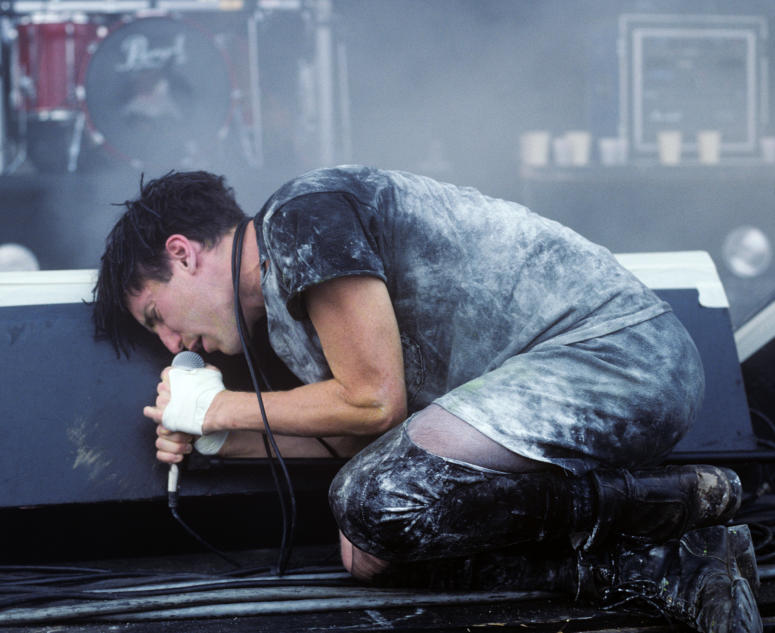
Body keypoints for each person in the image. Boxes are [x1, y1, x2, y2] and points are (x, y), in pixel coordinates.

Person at [92, 166, 761, 633]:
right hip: (556, 390)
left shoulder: (300, 217)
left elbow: (371, 404)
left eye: (156, 316)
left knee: (368, 498)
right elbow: (364, 438)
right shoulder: (288, 321)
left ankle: (681, 498)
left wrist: (214, 409)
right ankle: (664, 563)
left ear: (182, 254)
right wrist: (218, 442)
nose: (176, 340)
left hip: (620, 356)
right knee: (372, 549)